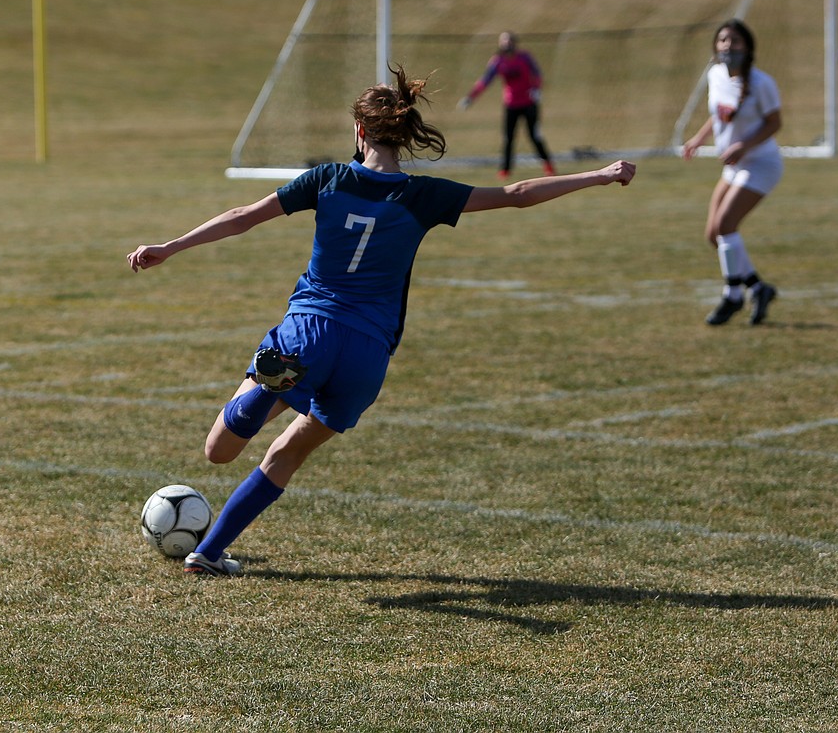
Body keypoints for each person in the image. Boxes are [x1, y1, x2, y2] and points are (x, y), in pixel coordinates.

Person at [127, 65, 636, 576]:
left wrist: (172, 246)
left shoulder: (328, 179)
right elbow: (518, 193)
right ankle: (208, 554)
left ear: (360, 131)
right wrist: (599, 175)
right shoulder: (424, 195)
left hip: (309, 332)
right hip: (368, 353)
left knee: (218, 450)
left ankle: (267, 390)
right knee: (288, 453)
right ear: (403, 134)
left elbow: (246, 214)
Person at [681, 19, 782, 327]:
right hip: (734, 166)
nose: (727, 46)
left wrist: (743, 146)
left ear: (748, 47)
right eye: (723, 40)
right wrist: (699, 139)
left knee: (726, 225)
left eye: (735, 41)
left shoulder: (763, 83)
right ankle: (758, 288)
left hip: (761, 164)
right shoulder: (715, 75)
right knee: (714, 234)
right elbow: (718, 115)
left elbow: (774, 123)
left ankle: (733, 296)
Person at [458, 31, 556, 179]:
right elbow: (485, 81)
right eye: (503, 42)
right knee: (508, 138)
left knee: (534, 136)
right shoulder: (497, 61)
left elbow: (537, 74)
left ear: (514, 43)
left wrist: (536, 89)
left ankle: (548, 165)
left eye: (509, 41)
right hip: (511, 105)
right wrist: (470, 97)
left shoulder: (525, 57)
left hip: (529, 103)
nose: (506, 44)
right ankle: (505, 169)